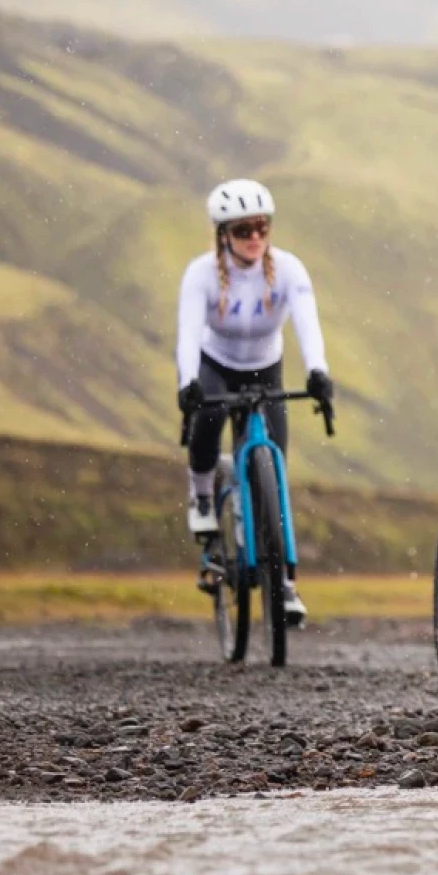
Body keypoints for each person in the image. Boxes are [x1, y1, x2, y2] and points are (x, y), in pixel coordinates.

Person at [175, 179, 334, 626]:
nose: (254, 238)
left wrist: (318, 371)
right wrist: (188, 382)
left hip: (267, 368)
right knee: (206, 421)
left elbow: (307, 323)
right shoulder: (201, 275)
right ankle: (203, 496)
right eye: (243, 229)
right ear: (223, 234)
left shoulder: (288, 271)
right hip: (217, 365)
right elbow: (188, 333)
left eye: (261, 227)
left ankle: (283, 582)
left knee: (273, 469)